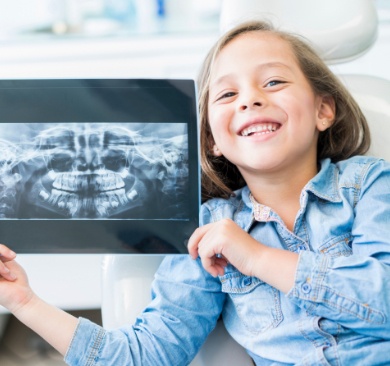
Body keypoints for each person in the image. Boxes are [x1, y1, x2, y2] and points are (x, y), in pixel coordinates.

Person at [1, 20, 390, 365]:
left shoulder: (370, 184)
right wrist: (24, 301)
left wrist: (255, 257)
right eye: (226, 95)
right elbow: (147, 356)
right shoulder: (208, 230)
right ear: (211, 139)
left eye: (273, 81)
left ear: (324, 109)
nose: (250, 99)